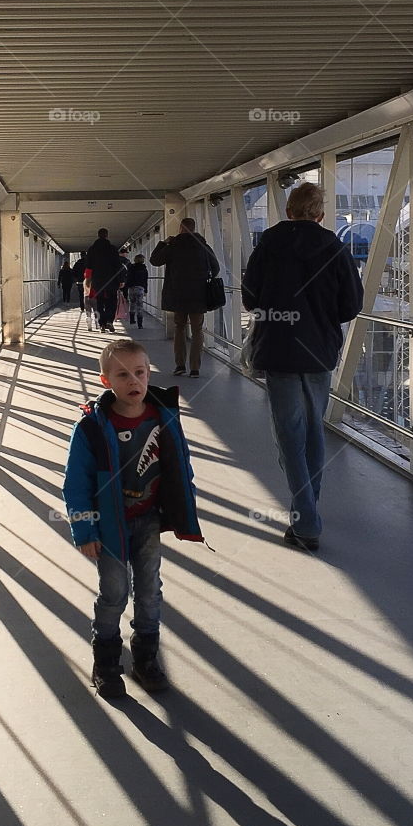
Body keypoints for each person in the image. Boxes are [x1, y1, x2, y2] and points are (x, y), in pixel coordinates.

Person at [62, 337, 203, 698]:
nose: (134, 382)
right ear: (105, 381)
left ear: (148, 373)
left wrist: (182, 503)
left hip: (148, 519)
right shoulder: (93, 427)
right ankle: (106, 663)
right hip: (110, 525)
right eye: (122, 375)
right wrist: (84, 529)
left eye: (139, 373)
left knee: (150, 591)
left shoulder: (162, 415)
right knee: (113, 593)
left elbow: (179, 463)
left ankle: (145, 659)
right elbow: (76, 483)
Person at [241, 182, 363, 553]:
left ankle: (306, 520)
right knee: (313, 432)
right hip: (318, 352)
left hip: (278, 351)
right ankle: (305, 514)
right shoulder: (335, 249)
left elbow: (250, 299)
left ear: (289, 212)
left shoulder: (267, 247)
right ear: (320, 214)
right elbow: (350, 305)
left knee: (289, 436)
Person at [150, 218, 219, 377]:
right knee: (197, 331)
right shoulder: (203, 245)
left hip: (177, 295)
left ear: (181, 228)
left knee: (179, 328)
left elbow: (154, 261)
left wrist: (163, 243)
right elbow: (215, 268)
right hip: (199, 295)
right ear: (194, 229)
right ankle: (195, 368)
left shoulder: (173, 246)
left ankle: (180, 366)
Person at [86, 228, 126, 333]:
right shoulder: (112, 249)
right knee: (111, 302)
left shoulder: (92, 249)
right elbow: (118, 265)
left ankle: (102, 324)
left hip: (97, 281)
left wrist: (88, 281)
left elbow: (88, 266)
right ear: (107, 235)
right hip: (112, 281)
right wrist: (121, 280)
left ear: (98, 235)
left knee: (99, 303)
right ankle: (109, 321)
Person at [123, 253, 149, 328]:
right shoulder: (144, 269)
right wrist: (146, 291)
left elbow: (128, 278)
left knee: (132, 304)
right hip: (140, 289)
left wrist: (126, 288)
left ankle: (132, 320)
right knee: (140, 306)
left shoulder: (131, 268)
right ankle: (140, 324)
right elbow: (145, 281)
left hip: (131, 288)